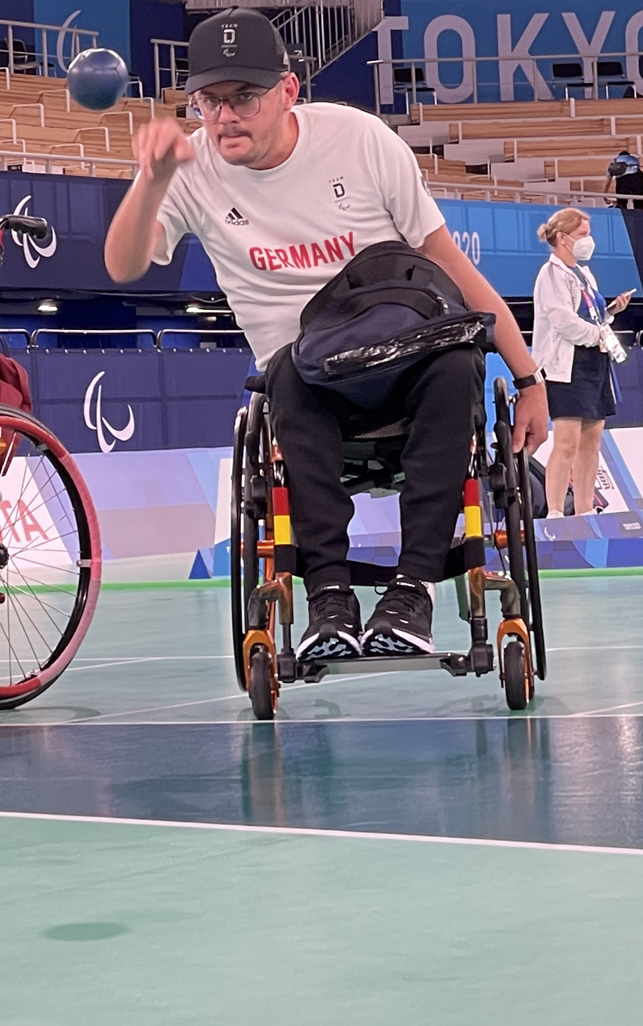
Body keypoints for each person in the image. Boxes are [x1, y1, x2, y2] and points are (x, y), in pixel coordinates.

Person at [103, 7, 548, 660]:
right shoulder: (191, 167)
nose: (225, 116)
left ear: (288, 91)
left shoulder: (361, 142)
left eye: (244, 96)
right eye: (209, 100)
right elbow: (123, 264)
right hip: (307, 379)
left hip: (408, 359)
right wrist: (152, 179)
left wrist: (530, 377)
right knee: (283, 374)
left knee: (457, 363)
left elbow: (456, 270)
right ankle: (329, 601)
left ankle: (413, 593)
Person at [532, 208, 632, 517]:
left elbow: (592, 314)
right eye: (582, 235)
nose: (588, 241)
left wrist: (612, 312)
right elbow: (563, 321)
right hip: (567, 365)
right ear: (563, 238)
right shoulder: (550, 275)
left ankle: (586, 511)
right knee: (566, 443)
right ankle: (557, 512)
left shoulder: (584, 274)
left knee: (592, 442)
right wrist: (598, 336)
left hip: (594, 363)